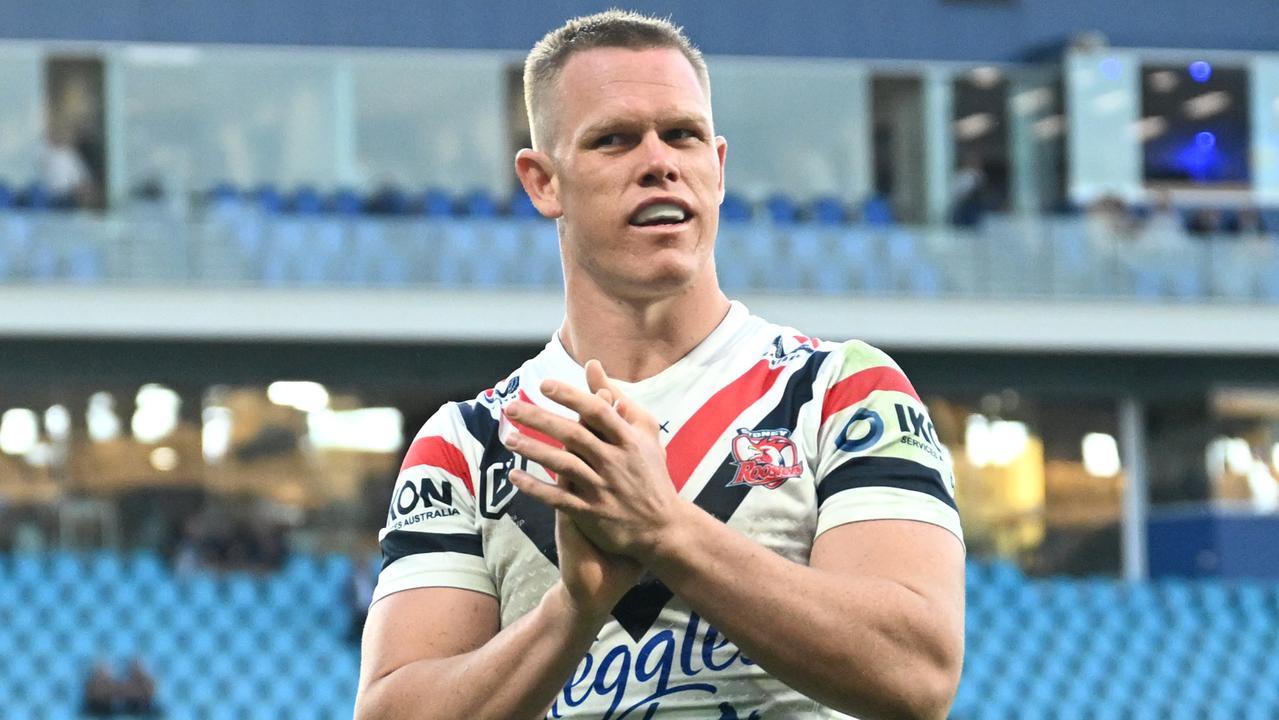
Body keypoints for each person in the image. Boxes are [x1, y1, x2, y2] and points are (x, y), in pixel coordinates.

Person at [355, 11, 964, 720]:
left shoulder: (842, 393)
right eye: (614, 140)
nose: (658, 161)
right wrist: (571, 613)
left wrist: (665, 532)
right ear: (542, 182)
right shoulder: (467, 443)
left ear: (717, 166)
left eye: (682, 135)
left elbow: (916, 675)